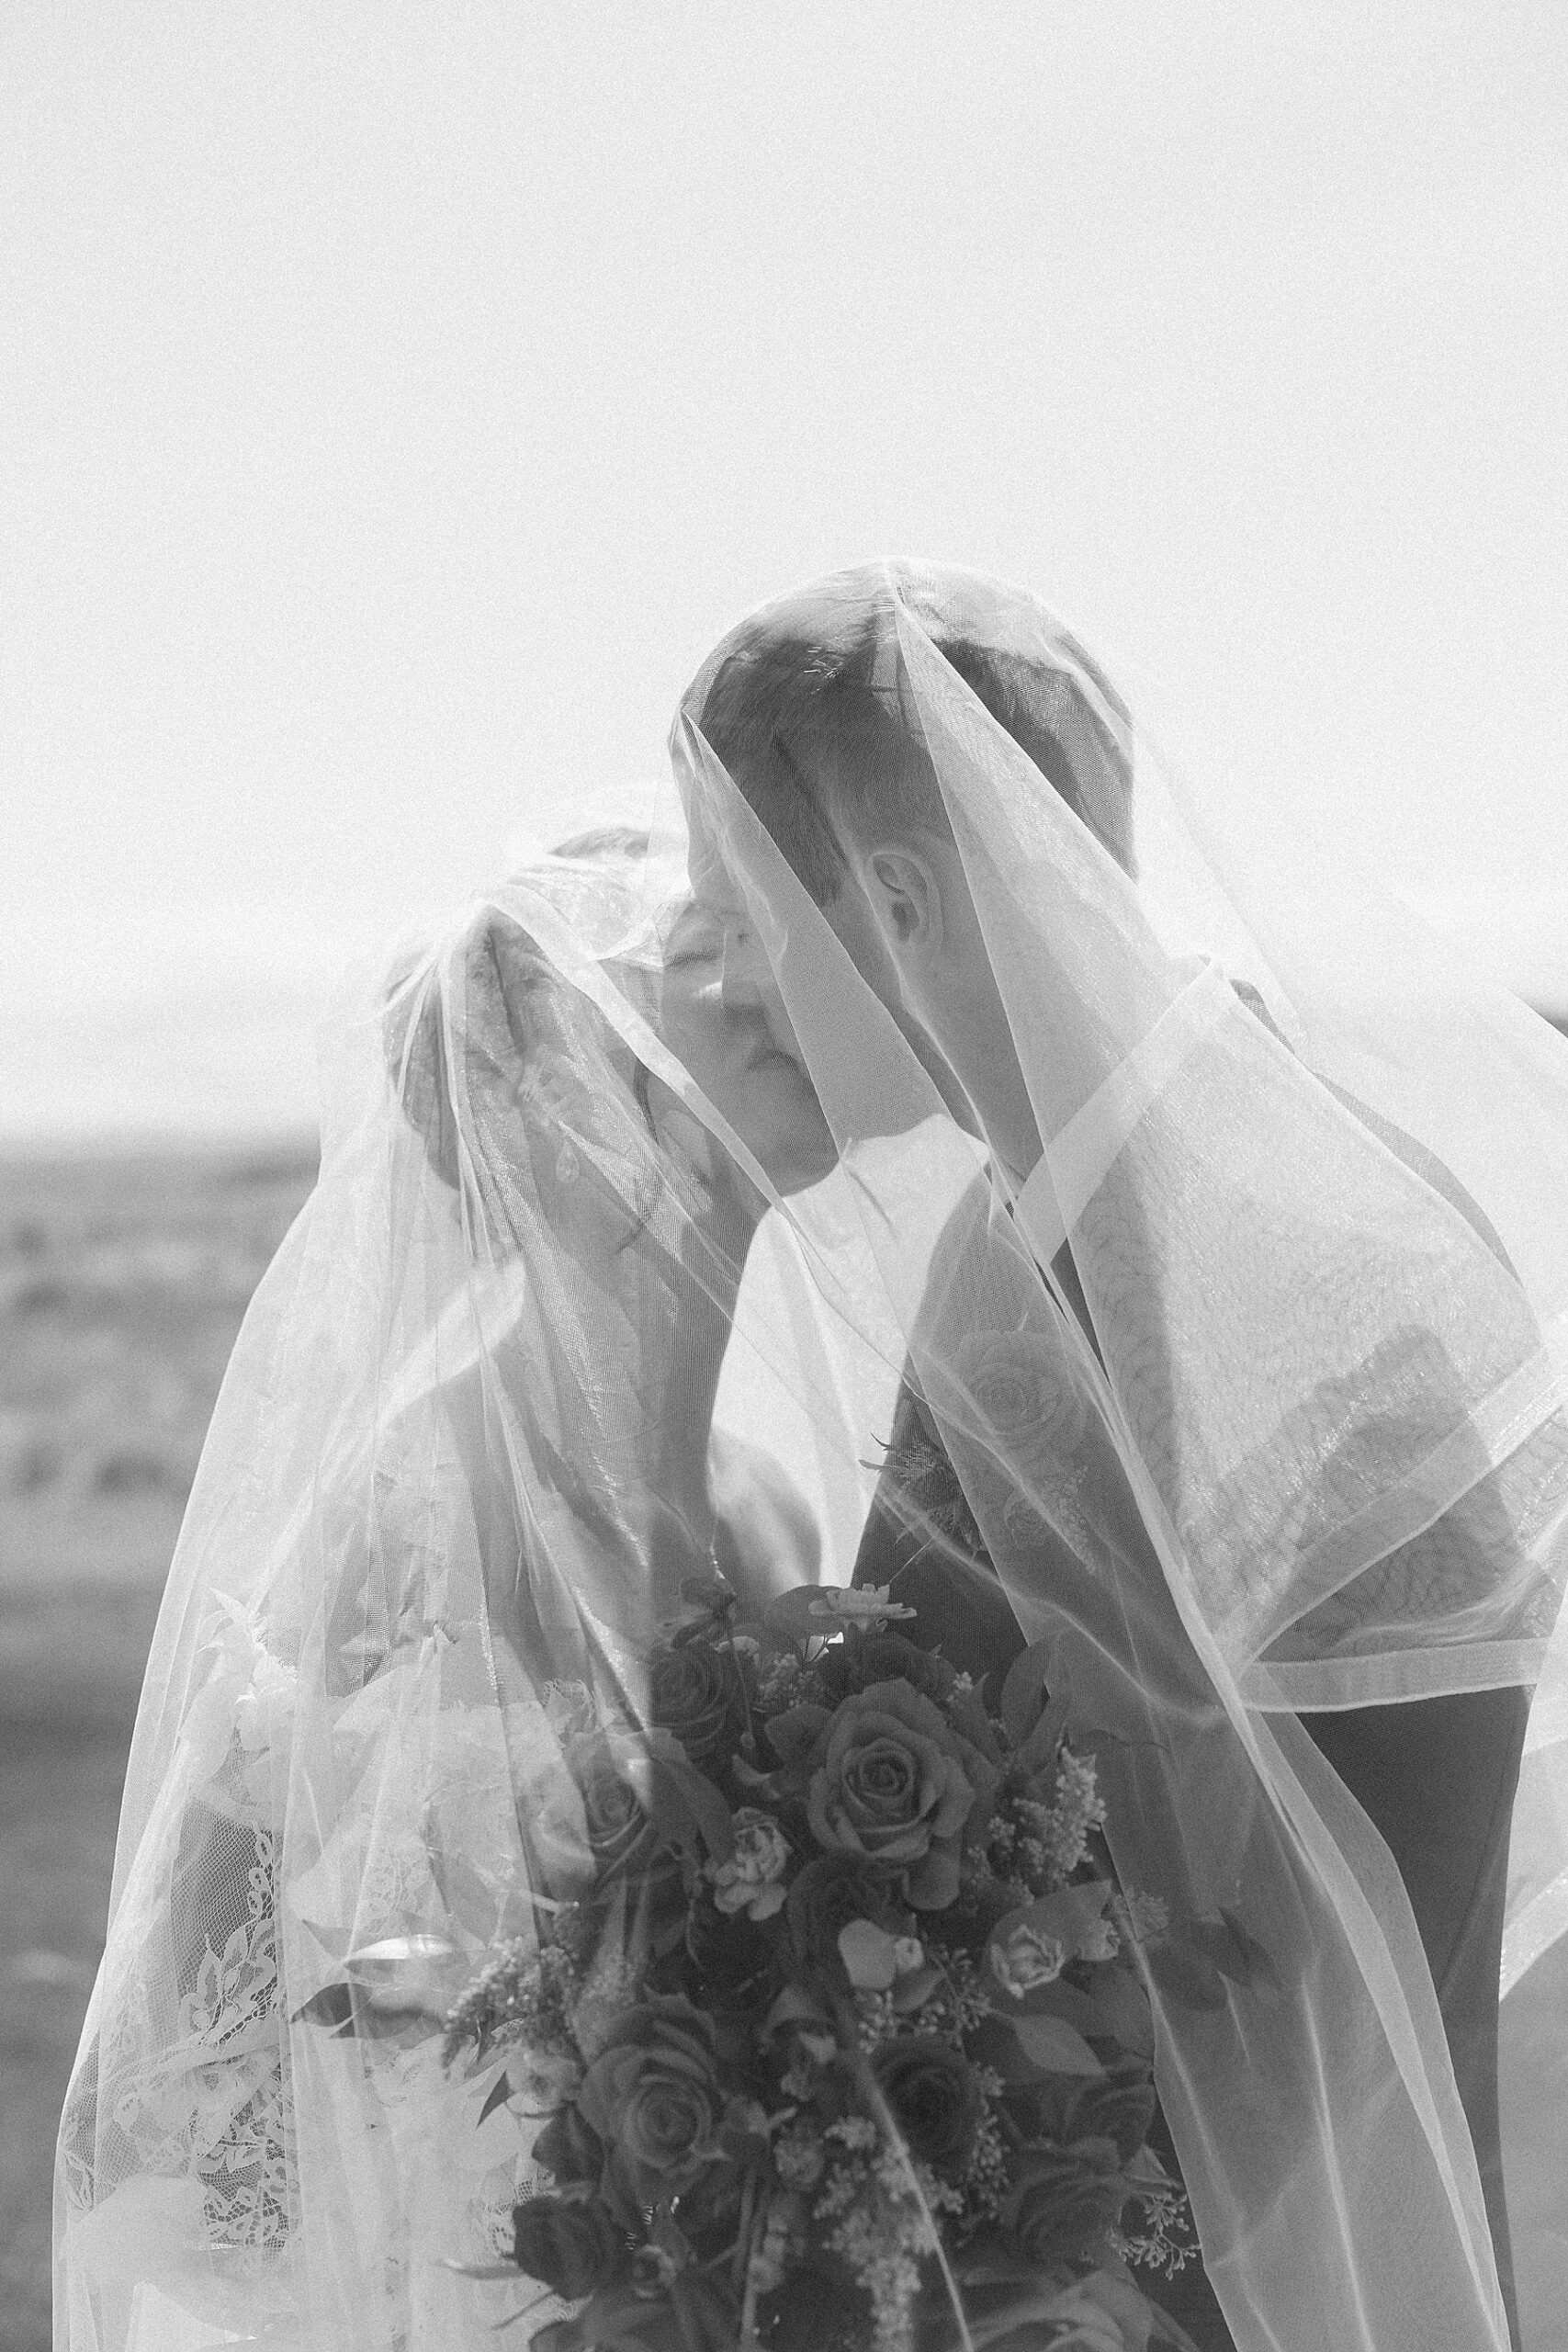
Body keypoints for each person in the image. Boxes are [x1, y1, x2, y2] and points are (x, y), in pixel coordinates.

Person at [672, 560, 1568, 2352]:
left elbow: (1353, 1954)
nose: (725, 999)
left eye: (738, 924)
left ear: (899, 900)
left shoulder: (1296, 1253)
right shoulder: (996, 1242)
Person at [52, 825, 851, 2350]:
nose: (774, 1002)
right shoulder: (402, 1527)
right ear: (561, 1105)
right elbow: (168, 2107)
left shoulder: (767, 1510)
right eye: (706, 974)